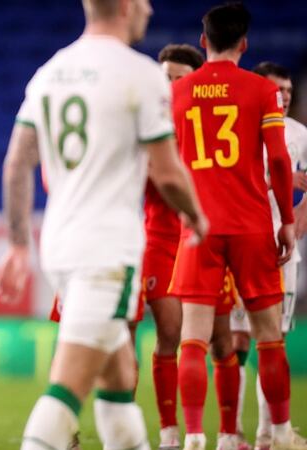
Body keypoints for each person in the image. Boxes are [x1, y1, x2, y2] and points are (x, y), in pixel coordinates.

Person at [0, 0, 207, 449]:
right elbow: (167, 172)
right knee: (67, 388)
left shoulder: (51, 71)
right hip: (106, 252)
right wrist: (197, 215)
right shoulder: (141, 74)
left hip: (60, 246)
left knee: (117, 381)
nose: (149, 9)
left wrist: (17, 245)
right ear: (127, 7)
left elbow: (16, 164)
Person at [168, 3, 306, 449]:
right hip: (250, 225)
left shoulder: (179, 92)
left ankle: (193, 437)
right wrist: (286, 220)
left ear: (203, 41)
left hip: (199, 227)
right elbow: (281, 161)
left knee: (193, 337)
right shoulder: (260, 90)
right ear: (244, 45)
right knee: (268, 337)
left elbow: (166, 163)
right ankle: (280, 433)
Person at [229, 61, 307, 450]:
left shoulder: (299, 135)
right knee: (237, 340)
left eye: (290, 92)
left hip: (282, 253)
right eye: (279, 91)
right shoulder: (241, 129)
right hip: (244, 246)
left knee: (274, 340)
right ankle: (235, 433)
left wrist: (293, 227)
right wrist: (279, 178)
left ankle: (267, 436)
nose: (286, 98)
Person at [139, 43, 204, 449]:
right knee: (169, 332)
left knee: (225, 340)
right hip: (161, 240)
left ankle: (229, 430)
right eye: (167, 78)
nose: (172, 86)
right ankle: (169, 433)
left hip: (206, 239)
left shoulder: (208, 126)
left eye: (180, 79)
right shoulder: (150, 128)